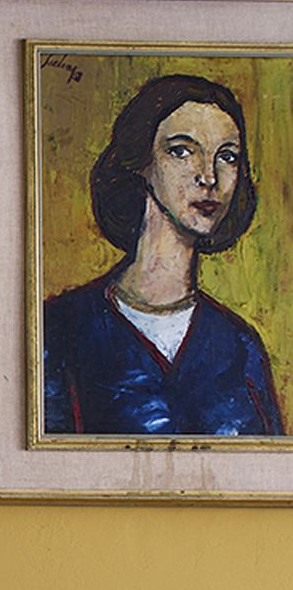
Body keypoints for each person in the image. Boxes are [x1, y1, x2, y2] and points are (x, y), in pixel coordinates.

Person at [42, 72, 284, 438]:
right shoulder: (62, 328)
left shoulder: (239, 344)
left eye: (228, 157)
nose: (209, 178)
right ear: (141, 163)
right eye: (182, 151)